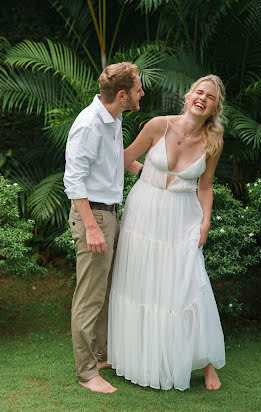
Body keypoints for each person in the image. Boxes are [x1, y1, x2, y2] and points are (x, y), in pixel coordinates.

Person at [108, 74, 226, 391]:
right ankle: (142, 358)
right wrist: (149, 174)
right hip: (144, 211)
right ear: (188, 96)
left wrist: (205, 221)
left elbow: (205, 186)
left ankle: (207, 364)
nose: (203, 98)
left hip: (184, 215)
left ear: (215, 107)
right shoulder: (159, 125)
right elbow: (126, 158)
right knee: (143, 284)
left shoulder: (214, 140)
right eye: (199, 92)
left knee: (191, 282)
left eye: (210, 96)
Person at [63, 62, 144, 393]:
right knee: (90, 296)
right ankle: (86, 372)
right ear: (123, 95)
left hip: (109, 213)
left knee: (107, 289)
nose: (143, 93)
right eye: (138, 89)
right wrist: (92, 227)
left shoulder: (115, 118)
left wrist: (147, 171)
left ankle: (98, 355)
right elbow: (74, 179)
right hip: (92, 216)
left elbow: (113, 162)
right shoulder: (89, 125)